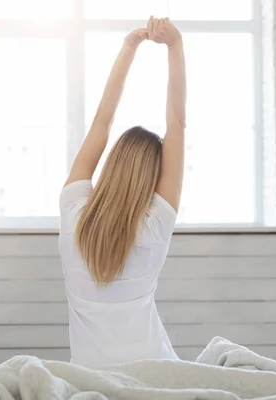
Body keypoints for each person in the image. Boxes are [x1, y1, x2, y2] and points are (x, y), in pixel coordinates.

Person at [58, 16, 187, 368]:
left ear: (112, 162)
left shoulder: (73, 213)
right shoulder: (156, 226)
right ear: (153, 178)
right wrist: (175, 46)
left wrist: (129, 48)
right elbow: (177, 123)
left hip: (89, 377)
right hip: (156, 377)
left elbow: (102, 121)